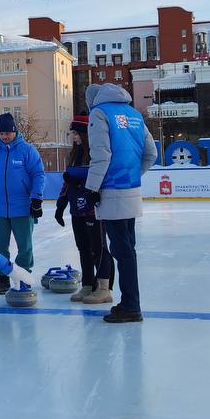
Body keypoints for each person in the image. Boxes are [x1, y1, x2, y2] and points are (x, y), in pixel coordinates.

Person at [84, 83, 157, 323]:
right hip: (131, 190)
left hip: (111, 191)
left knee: (122, 251)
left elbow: (101, 155)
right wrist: (132, 175)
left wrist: (92, 188)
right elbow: (151, 154)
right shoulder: (134, 114)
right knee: (127, 249)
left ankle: (130, 306)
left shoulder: (99, 113)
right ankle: (130, 303)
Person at [0, 112, 46, 294]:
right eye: (2, 133)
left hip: (22, 208)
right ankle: (3, 277)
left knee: (25, 247)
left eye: (8, 133)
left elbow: (38, 174)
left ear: (15, 131)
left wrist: (36, 198)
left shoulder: (27, 150)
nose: (5, 136)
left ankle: (23, 277)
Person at [55, 114, 114, 304]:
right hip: (77, 209)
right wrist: (61, 204)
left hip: (93, 209)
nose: (73, 137)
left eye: (75, 133)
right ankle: (88, 285)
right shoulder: (74, 154)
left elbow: (102, 177)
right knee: (83, 248)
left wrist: (80, 181)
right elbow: (67, 183)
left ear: (85, 133)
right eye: (72, 133)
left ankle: (103, 288)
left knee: (98, 248)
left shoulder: (97, 153)